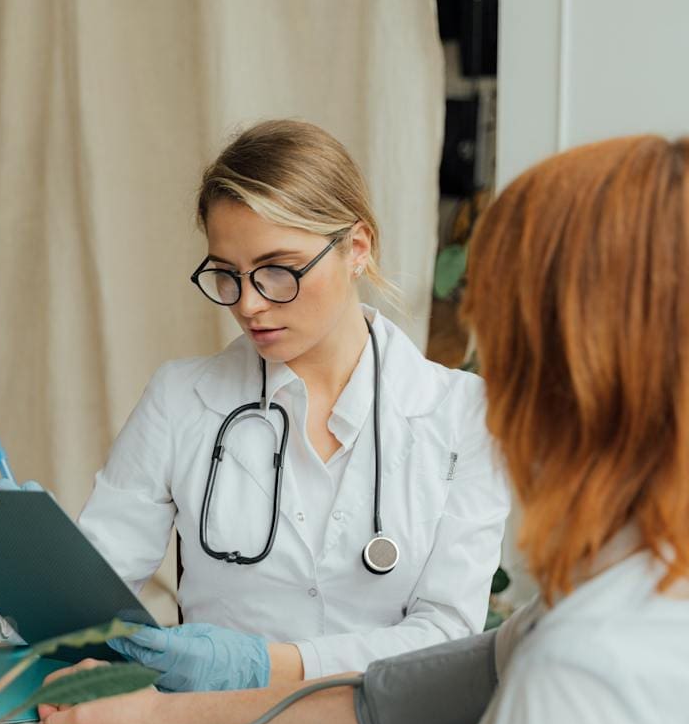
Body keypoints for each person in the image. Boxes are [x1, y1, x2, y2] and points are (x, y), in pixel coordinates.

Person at [44, 134, 689, 724]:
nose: (484, 379)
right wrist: (161, 709)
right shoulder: (619, 598)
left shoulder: (590, 673)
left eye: (497, 341)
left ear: (571, 373)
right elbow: (397, 711)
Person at [76, 119, 509, 691]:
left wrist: (268, 665)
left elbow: (447, 636)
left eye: (277, 270)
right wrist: (40, 578)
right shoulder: (181, 399)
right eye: (227, 275)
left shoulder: (463, 414)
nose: (249, 303)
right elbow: (86, 598)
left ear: (356, 248)